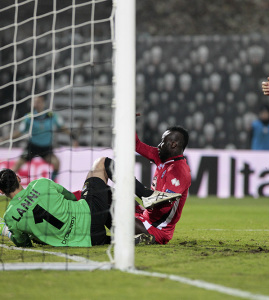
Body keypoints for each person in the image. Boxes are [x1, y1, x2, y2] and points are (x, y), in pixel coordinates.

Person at [0, 158, 180, 247]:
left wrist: (7, 231)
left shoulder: (10, 217)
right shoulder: (40, 183)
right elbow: (70, 197)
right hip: (89, 214)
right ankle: (147, 195)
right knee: (102, 164)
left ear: (1, 191)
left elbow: (24, 244)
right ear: (18, 177)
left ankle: (123, 239)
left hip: (86, 241)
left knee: (108, 196)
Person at [134, 125, 191, 245]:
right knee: (113, 197)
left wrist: (132, 184)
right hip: (146, 217)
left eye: (163, 141)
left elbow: (163, 205)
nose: (159, 145)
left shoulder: (179, 171)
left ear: (173, 144)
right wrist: (128, 121)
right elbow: (137, 145)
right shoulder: (161, 157)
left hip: (157, 229)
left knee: (115, 212)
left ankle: (146, 238)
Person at [0, 95, 78, 181]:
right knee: (17, 166)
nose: (36, 104)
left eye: (38, 102)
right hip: (32, 146)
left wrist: (72, 136)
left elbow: (62, 127)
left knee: (56, 163)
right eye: (34, 102)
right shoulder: (29, 117)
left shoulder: (51, 115)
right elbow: (19, 132)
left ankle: (52, 183)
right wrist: (4, 138)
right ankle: (4, 182)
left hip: (46, 148)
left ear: (43, 103)